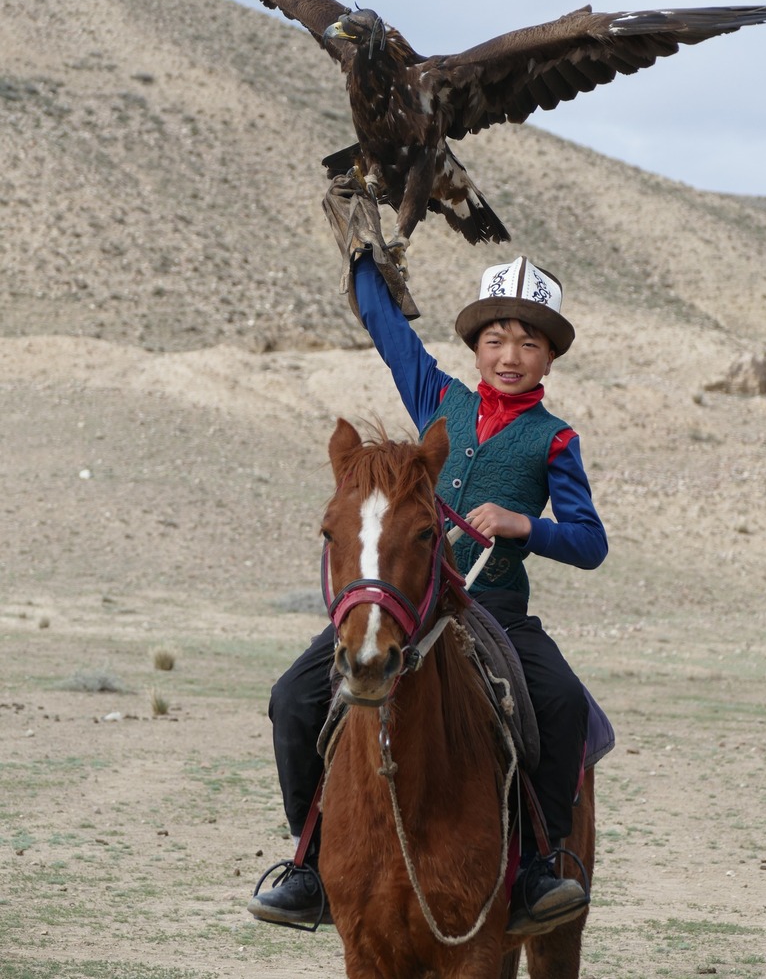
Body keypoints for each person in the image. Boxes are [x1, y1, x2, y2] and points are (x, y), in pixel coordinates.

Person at [249, 249, 608, 935]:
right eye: (496, 339)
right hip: (404, 601)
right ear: (474, 347)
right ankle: (310, 862)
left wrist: (523, 525)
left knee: (562, 703)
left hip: (493, 608)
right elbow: (389, 332)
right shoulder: (438, 395)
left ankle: (541, 867)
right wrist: (360, 256)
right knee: (292, 697)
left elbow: (591, 542)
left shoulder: (555, 439)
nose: (511, 355)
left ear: (549, 359)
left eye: (529, 343)